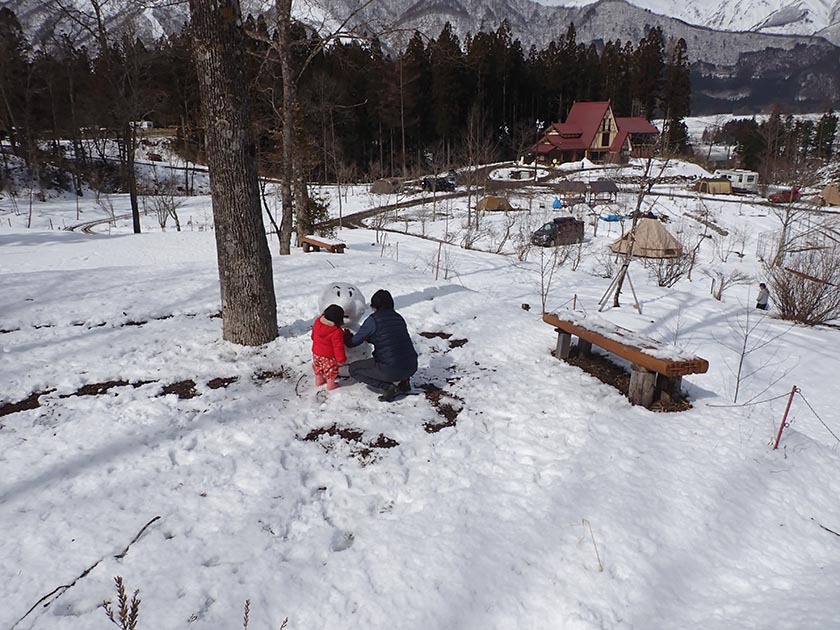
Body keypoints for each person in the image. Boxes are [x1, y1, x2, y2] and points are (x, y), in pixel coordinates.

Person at [344, 289, 418, 402]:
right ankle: (405, 382)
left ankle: (387, 387)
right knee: (399, 353)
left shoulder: (373, 320)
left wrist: (346, 337)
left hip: (390, 369)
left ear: (375, 307)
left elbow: (353, 342)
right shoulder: (398, 317)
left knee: (353, 369)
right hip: (412, 366)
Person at [311, 304, 346, 390]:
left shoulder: (317, 321)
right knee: (330, 370)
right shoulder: (336, 331)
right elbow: (338, 347)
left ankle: (319, 381)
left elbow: (313, 336)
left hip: (316, 352)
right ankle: (331, 385)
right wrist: (341, 359)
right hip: (328, 356)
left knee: (318, 367)